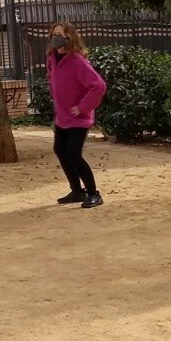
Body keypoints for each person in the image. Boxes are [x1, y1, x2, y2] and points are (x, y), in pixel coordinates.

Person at [46, 21, 108, 208]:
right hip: (62, 116)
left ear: (70, 38)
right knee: (60, 150)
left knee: (73, 154)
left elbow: (98, 86)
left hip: (78, 118)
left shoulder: (77, 61)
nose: (56, 38)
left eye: (61, 35)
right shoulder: (52, 59)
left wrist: (82, 107)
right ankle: (77, 191)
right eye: (54, 34)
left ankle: (93, 193)